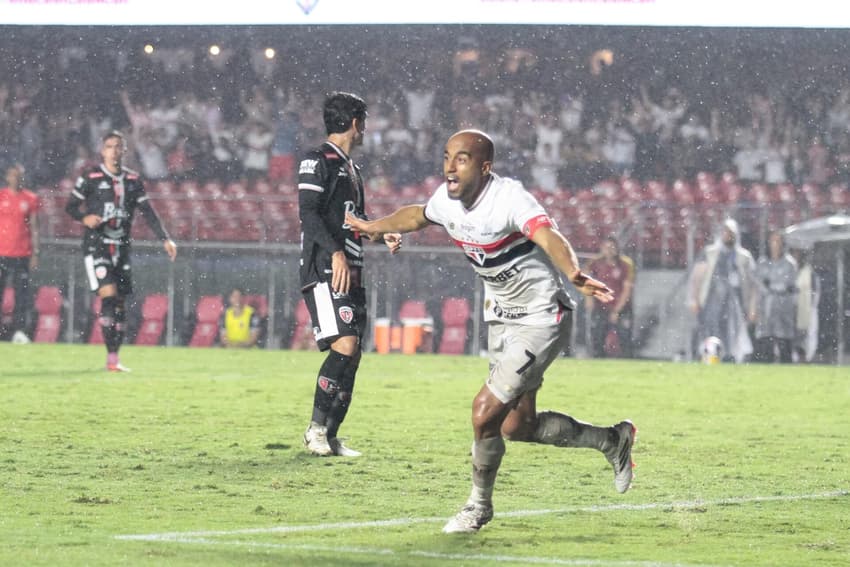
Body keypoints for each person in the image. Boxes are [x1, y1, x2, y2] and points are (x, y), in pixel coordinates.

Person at [346, 129, 636, 533]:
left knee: (483, 414)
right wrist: (373, 225)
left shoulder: (509, 199)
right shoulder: (447, 199)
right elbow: (417, 215)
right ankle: (612, 440)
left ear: (485, 167)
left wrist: (574, 272)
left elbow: (547, 234)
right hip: (501, 317)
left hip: (540, 317)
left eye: (461, 158)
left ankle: (477, 506)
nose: (450, 165)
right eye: (447, 155)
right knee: (517, 427)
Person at [298, 92, 401, 458]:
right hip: (325, 268)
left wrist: (378, 231)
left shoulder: (352, 169)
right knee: (344, 347)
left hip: (351, 268)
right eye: (365, 121)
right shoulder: (316, 160)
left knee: (354, 355)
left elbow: (352, 220)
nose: (366, 128)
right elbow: (308, 215)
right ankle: (314, 430)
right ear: (355, 123)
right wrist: (336, 253)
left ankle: (332, 435)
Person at [65, 131, 177, 372]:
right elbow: (70, 206)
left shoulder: (133, 180)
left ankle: (113, 358)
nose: (114, 151)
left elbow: (148, 212)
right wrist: (85, 217)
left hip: (122, 248)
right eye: (109, 146)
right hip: (97, 246)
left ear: (124, 151)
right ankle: (111, 359)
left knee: (120, 305)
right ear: (102, 151)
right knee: (109, 296)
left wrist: (165, 239)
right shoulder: (91, 176)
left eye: (118, 146)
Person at [687, 219, 757, 363]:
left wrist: (752, 307)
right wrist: (694, 299)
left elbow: (753, 285)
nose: (728, 236)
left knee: (732, 333)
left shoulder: (744, 257)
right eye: (725, 232)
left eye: (731, 233)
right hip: (711, 301)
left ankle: (730, 357)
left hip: (735, 304)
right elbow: (697, 277)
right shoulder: (710, 252)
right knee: (709, 330)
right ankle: (708, 357)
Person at [0, 164, 39, 343]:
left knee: (21, 295)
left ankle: (19, 331)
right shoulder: (1, 196)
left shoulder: (30, 198)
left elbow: (34, 226)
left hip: (22, 253)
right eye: (14, 175)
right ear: (8, 177)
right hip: (2, 252)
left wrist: (35, 253)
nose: (17, 179)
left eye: (20, 175)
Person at [585, 236, 635, 358]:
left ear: (617, 249)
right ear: (602, 248)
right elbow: (586, 281)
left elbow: (627, 290)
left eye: (612, 247)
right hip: (600, 306)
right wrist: (589, 299)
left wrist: (617, 311)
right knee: (597, 337)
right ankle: (598, 363)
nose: (609, 250)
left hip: (622, 307)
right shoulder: (594, 263)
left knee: (625, 338)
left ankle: (627, 364)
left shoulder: (626, 264)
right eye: (607, 247)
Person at [753, 231, 798, 363]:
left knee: (785, 346)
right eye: (773, 241)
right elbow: (759, 285)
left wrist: (772, 286)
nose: (775, 244)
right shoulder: (762, 263)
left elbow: (789, 286)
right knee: (766, 347)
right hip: (766, 312)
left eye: (778, 241)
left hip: (784, 311)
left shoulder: (789, 264)